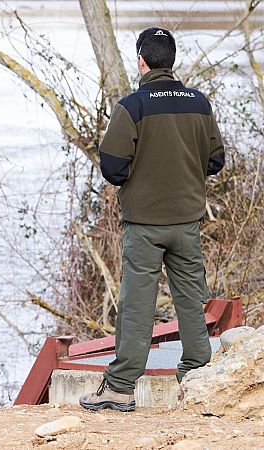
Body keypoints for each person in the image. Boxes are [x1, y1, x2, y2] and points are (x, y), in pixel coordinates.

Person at [79, 27, 225, 412]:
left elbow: (112, 165)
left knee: (136, 304)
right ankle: (197, 377)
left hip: (144, 223)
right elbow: (215, 160)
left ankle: (121, 387)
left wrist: (139, 177)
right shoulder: (199, 103)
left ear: (141, 60)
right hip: (187, 220)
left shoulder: (133, 106)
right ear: (171, 60)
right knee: (192, 301)